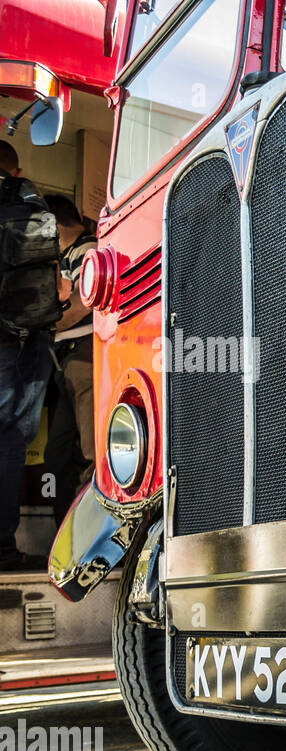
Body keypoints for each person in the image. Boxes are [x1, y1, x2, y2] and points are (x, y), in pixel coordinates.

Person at [0, 140, 60, 571]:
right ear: (15, 169)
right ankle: (4, 543)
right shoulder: (30, 202)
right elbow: (58, 286)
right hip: (35, 338)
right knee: (12, 442)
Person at [44, 194, 96, 520]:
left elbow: (83, 303)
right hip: (67, 361)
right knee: (57, 454)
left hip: (85, 356)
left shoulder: (88, 249)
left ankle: (91, 534)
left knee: (90, 452)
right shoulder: (65, 255)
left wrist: (48, 318)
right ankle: (65, 530)